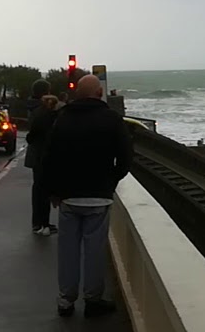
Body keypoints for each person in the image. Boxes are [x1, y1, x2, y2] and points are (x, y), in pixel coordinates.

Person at [38, 74, 133, 318]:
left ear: (76, 93)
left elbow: (49, 158)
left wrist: (54, 191)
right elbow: (125, 157)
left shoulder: (63, 118)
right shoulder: (112, 119)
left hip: (69, 196)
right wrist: (110, 181)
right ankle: (93, 299)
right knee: (94, 250)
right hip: (99, 197)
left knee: (68, 251)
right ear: (100, 93)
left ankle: (66, 300)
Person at [24, 81, 60, 235]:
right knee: (42, 190)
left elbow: (30, 135)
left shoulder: (32, 107)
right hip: (42, 155)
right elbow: (35, 135)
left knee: (39, 189)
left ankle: (40, 223)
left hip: (35, 155)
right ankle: (41, 223)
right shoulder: (43, 111)